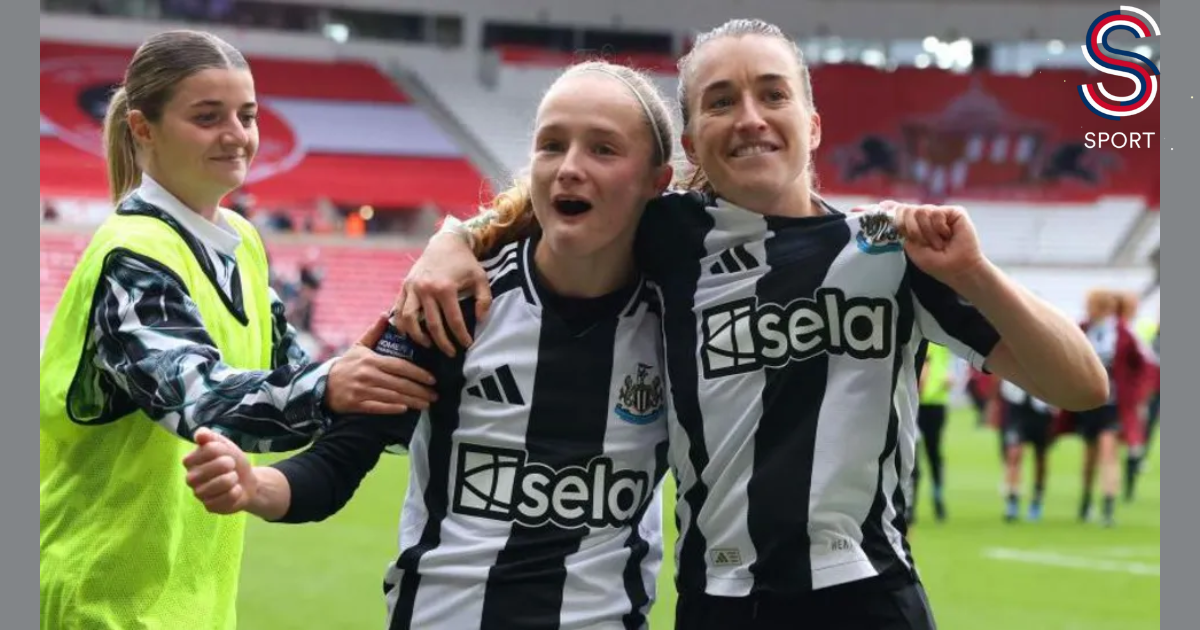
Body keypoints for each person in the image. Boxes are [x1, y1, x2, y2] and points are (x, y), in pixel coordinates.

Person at [395, 19, 1109, 629]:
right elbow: (559, 205)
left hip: (865, 595)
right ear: (693, 146)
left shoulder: (896, 250)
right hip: (717, 602)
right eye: (720, 101)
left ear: (813, 123)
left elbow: (1081, 384)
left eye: (773, 94)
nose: (750, 117)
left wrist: (976, 275)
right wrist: (458, 236)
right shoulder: (667, 239)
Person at [180, 60, 678, 629]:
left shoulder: (682, 318)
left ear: (656, 181)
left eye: (603, 150)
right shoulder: (452, 303)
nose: (569, 168)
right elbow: (340, 462)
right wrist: (257, 485)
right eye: (551, 145)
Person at [38, 30, 436, 630]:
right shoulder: (132, 254)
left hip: (188, 603)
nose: (237, 134)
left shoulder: (241, 242)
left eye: (246, 115)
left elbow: (289, 380)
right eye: (208, 117)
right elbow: (201, 401)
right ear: (143, 129)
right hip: (102, 596)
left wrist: (388, 373)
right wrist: (332, 386)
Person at [909, 340, 953, 525]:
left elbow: (948, 365)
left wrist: (949, 378)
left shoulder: (941, 339)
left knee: (933, 453)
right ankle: (911, 506)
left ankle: (938, 499)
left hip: (936, 402)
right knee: (912, 457)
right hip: (915, 403)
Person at [998, 379, 1054, 522]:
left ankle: (1037, 499)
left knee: (1041, 458)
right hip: (1017, 405)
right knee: (1014, 454)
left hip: (1042, 407)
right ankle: (1012, 501)